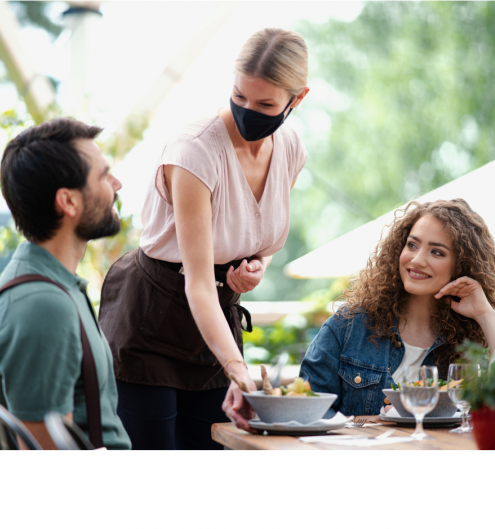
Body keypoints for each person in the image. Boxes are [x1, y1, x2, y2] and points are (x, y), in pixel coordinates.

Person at [98, 28, 310, 449]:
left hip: (215, 323)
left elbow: (259, 237)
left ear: (296, 99)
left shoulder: (290, 149)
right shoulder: (194, 151)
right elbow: (197, 281)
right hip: (152, 317)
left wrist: (255, 268)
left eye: (266, 103)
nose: (249, 110)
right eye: (239, 96)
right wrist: (237, 367)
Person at [0, 118, 131, 450]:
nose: (116, 184)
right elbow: (45, 457)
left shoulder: (55, 286)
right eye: (103, 175)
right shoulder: (43, 305)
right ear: (69, 202)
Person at [300, 199, 495, 417]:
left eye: (437, 252)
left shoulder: (474, 339)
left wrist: (485, 314)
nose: (417, 260)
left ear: (461, 266)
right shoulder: (347, 325)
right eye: (412, 245)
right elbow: (306, 410)